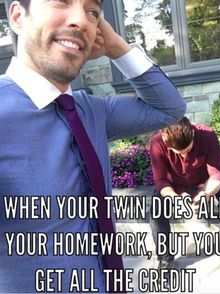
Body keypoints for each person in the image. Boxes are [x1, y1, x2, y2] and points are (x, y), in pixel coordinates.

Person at [0, 0, 186, 293]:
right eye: (62, 2)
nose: (82, 20)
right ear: (18, 16)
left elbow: (169, 110)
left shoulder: (92, 111)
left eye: (93, 13)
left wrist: (116, 47)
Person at [150, 116, 220, 270]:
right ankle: (165, 259)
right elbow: (161, 180)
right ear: (165, 139)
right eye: (178, 152)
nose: (184, 155)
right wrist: (174, 198)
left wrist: (206, 194)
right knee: (156, 207)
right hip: (174, 188)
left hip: (205, 185)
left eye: (188, 150)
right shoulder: (157, 142)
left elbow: (217, 174)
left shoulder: (207, 135)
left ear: (193, 135)